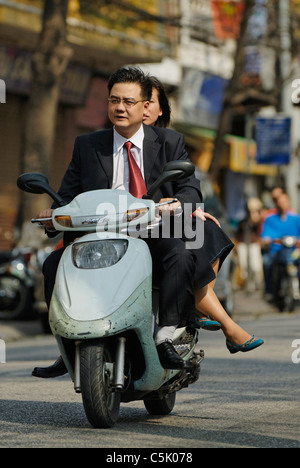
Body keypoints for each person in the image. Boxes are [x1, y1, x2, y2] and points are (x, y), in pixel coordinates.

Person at [33, 66, 213, 378]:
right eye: (114, 100)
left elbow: (191, 189)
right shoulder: (88, 145)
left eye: (129, 102)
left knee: (180, 254)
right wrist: (54, 215)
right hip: (98, 239)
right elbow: (66, 196)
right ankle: (66, 343)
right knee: (52, 265)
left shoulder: (170, 142)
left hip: (150, 233)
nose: (120, 107)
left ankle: (166, 333)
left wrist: (177, 204)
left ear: (146, 107)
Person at [142, 75, 264, 353]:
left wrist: (186, 208)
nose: (144, 108)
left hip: (168, 223)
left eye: (151, 102)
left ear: (161, 109)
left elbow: (190, 187)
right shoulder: (106, 144)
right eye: (141, 101)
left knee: (208, 228)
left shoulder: (171, 142)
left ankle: (200, 307)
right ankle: (227, 325)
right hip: (131, 226)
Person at [261, 192, 300, 296]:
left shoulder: (295, 218)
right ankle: (269, 290)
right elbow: (265, 235)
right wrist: (267, 240)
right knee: (266, 262)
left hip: (293, 251)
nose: (283, 204)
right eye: (280, 202)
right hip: (276, 250)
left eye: (285, 201)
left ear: (289, 202)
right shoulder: (270, 219)